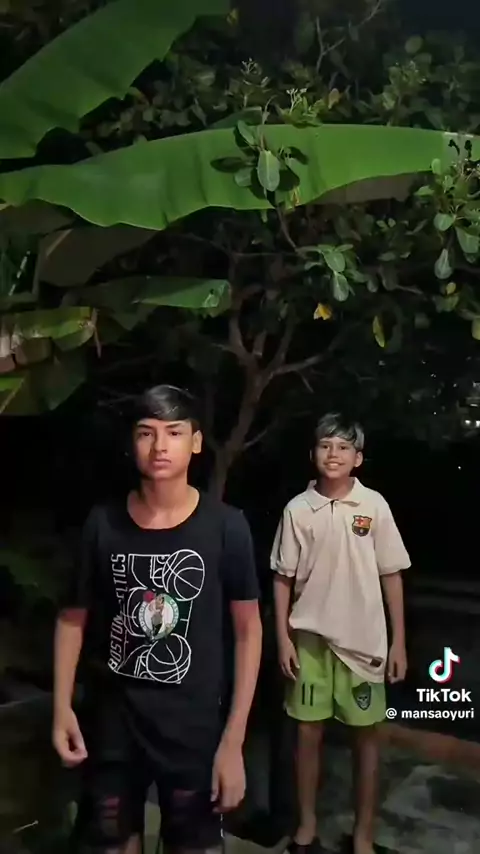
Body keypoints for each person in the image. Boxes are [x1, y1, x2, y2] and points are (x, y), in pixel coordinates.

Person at [53, 384, 262, 854]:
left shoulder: (226, 527)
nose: (160, 445)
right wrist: (62, 707)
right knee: (108, 840)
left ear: (196, 442)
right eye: (146, 433)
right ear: (132, 443)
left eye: (174, 432)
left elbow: (249, 632)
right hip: (114, 724)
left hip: (192, 729)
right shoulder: (102, 523)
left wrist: (234, 741)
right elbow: (72, 619)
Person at [271, 413, 410, 854]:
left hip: (364, 643)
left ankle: (363, 834)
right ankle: (307, 826)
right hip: (310, 642)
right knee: (306, 736)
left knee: (366, 739)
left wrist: (398, 642)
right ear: (313, 453)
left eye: (344, 447)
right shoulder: (297, 509)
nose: (334, 454)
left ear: (358, 458)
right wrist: (282, 638)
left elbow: (391, 574)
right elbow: (282, 578)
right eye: (326, 445)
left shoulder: (374, 506)